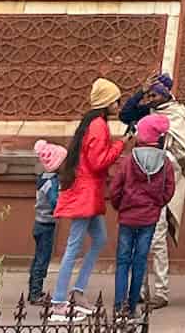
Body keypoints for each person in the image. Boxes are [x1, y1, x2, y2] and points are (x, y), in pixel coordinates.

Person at [50, 79, 127, 307]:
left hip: (88, 192)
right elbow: (97, 161)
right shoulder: (98, 126)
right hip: (85, 192)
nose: (118, 105)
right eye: (116, 100)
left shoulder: (93, 123)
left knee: (100, 239)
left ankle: (77, 290)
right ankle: (59, 299)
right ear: (107, 102)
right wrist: (121, 144)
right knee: (74, 245)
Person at [108, 109, 176, 313]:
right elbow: (169, 189)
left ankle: (120, 304)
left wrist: (120, 206)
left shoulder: (128, 160)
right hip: (149, 218)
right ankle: (132, 306)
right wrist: (156, 205)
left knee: (122, 261)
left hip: (128, 217)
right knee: (140, 260)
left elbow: (115, 189)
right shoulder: (165, 162)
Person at [146, 73, 185, 308]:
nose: (151, 98)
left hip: (161, 183)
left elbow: (181, 151)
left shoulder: (178, 115)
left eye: (155, 94)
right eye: (150, 94)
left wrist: (160, 159)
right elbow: (127, 115)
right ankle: (140, 288)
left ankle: (161, 291)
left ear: (165, 93)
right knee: (139, 242)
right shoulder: (151, 114)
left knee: (157, 239)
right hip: (142, 185)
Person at [28, 139, 66, 304]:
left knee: (38, 258)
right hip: (45, 225)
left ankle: (33, 290)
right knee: (42, 259)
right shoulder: (50, 183)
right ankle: (36, 293)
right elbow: (54, 203)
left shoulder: (44, 178)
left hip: (40, 223)